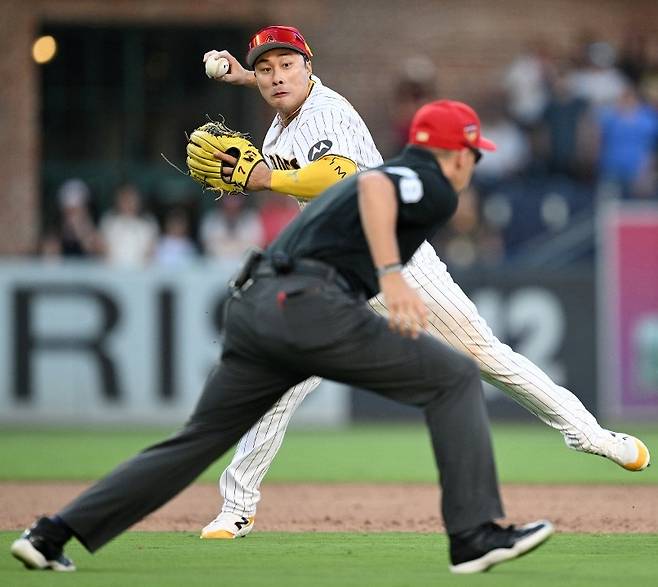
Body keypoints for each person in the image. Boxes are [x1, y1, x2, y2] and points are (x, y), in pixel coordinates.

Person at [10, 100, 555, 574]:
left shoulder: (395, 170)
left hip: (254, 304)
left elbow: (364, 187)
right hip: (308, 305)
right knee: (456, 375)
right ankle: (474, 536)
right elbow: (374, 191)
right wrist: (392, 275)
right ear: (455, 154)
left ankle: (49, 534)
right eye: (473, 152)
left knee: (195, 441)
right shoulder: (429, 182)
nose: (474, 162)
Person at [199, 25, 651, 542]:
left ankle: (590, 435)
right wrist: (242, 77)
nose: (277, 77)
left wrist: (263, 178)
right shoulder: (279, 122)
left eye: (286, 65)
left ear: (309, 66)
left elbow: (337, 175)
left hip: (396, 260)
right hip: (331, 270)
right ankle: (237, 507)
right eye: (265, 69)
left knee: (486, 357)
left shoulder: (328, 112)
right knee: (280, 381)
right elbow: (280, 102)